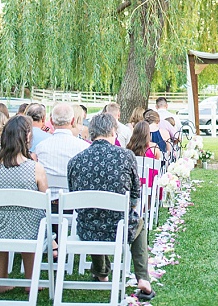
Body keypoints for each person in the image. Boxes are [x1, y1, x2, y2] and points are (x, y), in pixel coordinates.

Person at [66, 113, 152, 300]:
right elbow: (135, 195)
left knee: (92, 218)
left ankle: (101, 272)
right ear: (113, 132)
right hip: (119, 227)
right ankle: (143, 278)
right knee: (139, 224)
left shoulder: (75, 161)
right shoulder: (126, 156)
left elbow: (74, 196)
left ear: (91, 133)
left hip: (88, 229)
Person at [0, 115, 48, 294]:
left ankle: (2, 279)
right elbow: (44, 197)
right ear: (27, 137)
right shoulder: (35, 168)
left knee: (4, 220)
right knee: (32, 219)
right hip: (31, 229)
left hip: (2, 227)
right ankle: (30, 280)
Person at [32, 103, 88, 182]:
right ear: (72, 121)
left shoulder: (40, 147)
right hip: (73, 193)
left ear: (51, 121)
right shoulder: (84, 148)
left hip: (47, 192)